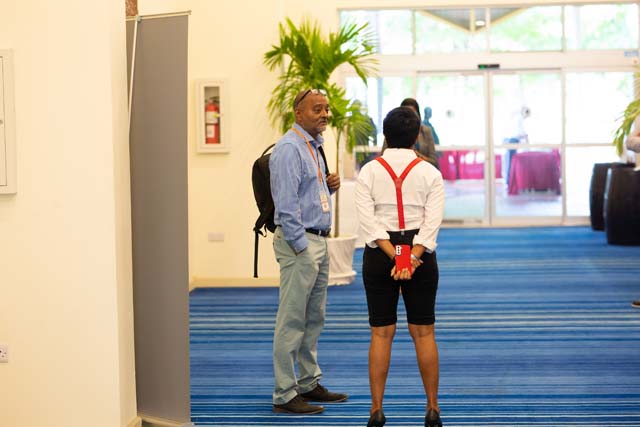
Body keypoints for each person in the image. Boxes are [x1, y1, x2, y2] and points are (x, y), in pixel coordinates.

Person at [355, 107, 445, 427]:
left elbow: (368, 223)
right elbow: (432, 224)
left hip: (381, 254)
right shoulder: (430, 173)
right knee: (424, 332)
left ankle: (376, 410)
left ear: (384, 134)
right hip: (420, 254)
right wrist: (409, 257)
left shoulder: (369, 172)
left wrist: (396, 257)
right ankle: (432, 408)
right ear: (417, 135)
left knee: (381, 333)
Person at [269, 89, 347, 415]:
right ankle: (285, 393)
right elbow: (286, 206)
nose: (325, 114)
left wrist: (328, 186)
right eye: (317, 109)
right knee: (292, 320)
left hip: (318, 242)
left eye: (326, 109)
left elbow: (306, 195)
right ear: (298, 113)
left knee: (313, 318)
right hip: (300, 244)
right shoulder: (289, 148)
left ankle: (308, 381)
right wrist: (301, 247)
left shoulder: (313, 147)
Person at [383, 98, 439, 169]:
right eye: (405, 115)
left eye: (412, 113)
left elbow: (434, 161)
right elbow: (383, 157)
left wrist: (416, 156)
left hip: (421, 170)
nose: (408, 119)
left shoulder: (426, 131)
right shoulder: (392, 131)